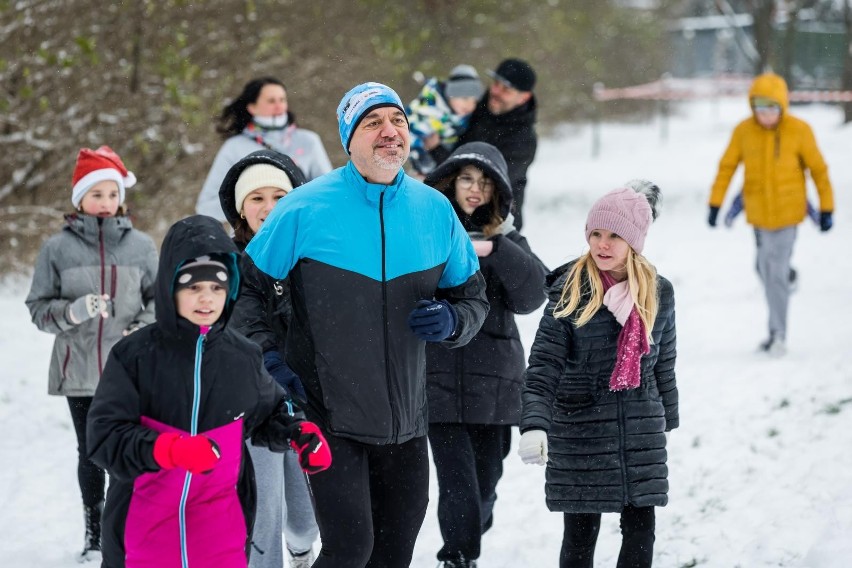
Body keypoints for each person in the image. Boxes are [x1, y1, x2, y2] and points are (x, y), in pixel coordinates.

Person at [245, 82, 490, 568]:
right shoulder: (304, 207)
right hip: (329, 412)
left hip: (407, 420)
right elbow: (247, 295)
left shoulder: (433, 210)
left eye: (397, 121)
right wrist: (267, 359)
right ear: (348, 138)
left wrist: (452, 320)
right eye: (373, 122)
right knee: (351, 548)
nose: (389, 132)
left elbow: (472, 298)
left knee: (394, 553)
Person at [85, 215, 332, 568]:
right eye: (193, 287)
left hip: (222, 537)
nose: (206, 298)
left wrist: (298, 433)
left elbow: (269, 412)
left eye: (217, 287)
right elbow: (104, 438)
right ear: (170, 287)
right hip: (144, 537)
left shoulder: (242, 356)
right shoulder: (134, 356)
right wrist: (170, 450)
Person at [518, 185, 678, 568]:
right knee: (580, 534)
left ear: (635, 242)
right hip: (580, 432)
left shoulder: (658, 292)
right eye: (595, 234)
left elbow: (664, 362)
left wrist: (666, 416)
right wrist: (534, 425)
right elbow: (542, 367)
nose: (602, 245)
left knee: (641, 530)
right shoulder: (570, 292)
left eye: (614, 236)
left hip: (639, 431)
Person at [24, 145, 158, 563]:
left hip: (129, 372)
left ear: (122, 198)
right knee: (91, 451)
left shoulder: (142, 246)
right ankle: (95, 531)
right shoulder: (56, 249)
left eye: (112, 194)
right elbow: (38, 309)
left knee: (132, 449)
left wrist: (143, 327)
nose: (105, 203)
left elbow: (161, 302)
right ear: (79, 199)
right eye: (96, 194)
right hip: (78, 370)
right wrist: (72, 312)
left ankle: (134, 524)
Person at [422, 141, 548, 568]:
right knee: (456, 480)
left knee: (486, 481)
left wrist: (498, 247)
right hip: (436, 378)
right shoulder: (427, 229)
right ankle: (457, 556)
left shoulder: (511, 238)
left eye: (484, 183)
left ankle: (470, 530)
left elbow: (533, 295)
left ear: (497, 192)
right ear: (450, 182)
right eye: (466, 180)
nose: (474, 190)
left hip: (495, 385)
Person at [218, 149, 319, 568]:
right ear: (241, 208)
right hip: (249, 406)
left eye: (279, 195)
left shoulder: (316, 256)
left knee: (304, 517)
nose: (269, 207)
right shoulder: (225, 262)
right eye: (256, 198)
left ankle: (300, 548)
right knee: (264, 512)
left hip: (307, 399)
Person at [707, 72, 835, 356]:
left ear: (782, 106)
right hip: (758, 214)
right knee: (764, 269)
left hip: (789, 214)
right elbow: (727, 167)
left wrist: (826, 207)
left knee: (773, 272)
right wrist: (716, 203)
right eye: (759, 108)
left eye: (771, 108)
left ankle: (778, 334)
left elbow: (819, 170)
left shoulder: (799, 130)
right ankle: (789, 276)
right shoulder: (744, 131)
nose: (765, 115)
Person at [196, 76, 332, 222]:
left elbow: (329, 193)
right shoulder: (234, 147)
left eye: (282, 100)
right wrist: (248, 205)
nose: (279, 106)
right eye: (271, 101)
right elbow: (206, 207)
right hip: (249, 239)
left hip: (302, 231)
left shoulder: (308, 141)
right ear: (252, 107)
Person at [431, 58, 538, 231]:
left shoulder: (524, 140)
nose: (496, 91)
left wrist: (435, 150)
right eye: (496, 83)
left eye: (506, 89)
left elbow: (490, 179)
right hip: (455, 215)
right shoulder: (476, 107)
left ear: (523, 97)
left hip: (496, 224)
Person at [406, 64, 485, 175]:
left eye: (474, 101)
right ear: (450, 93)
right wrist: (423, 163)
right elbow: (410, 134)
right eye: (465, 98)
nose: (470, 105)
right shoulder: (427, 109)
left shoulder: (462, 116)